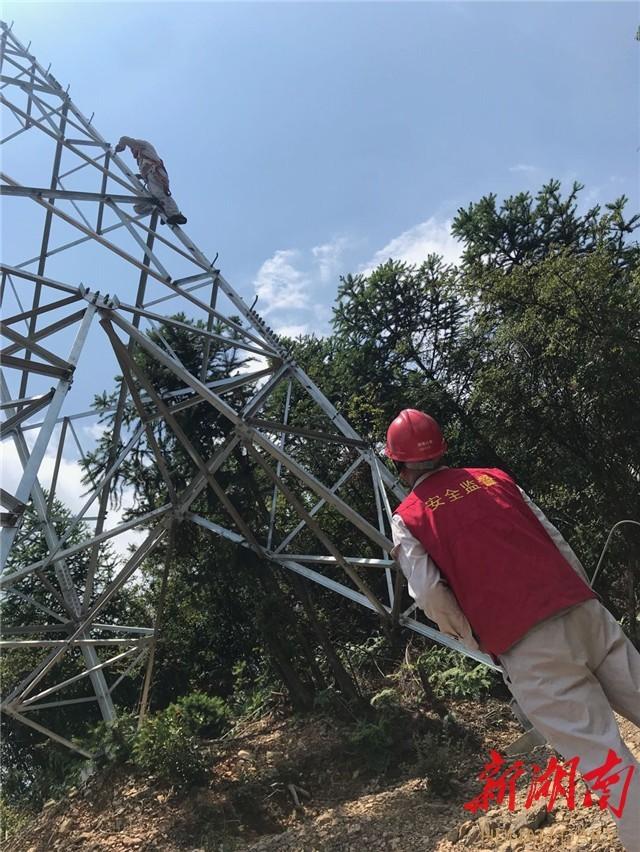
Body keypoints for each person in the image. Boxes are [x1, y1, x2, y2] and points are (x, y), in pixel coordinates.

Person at [386, 408, 640, 851]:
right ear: (443, 449)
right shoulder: (494, 479)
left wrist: (473, 637)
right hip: (583, 612)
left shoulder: (410, 517)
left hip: (530, 647)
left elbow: (427, 594)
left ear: (399, 465)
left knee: (609, 763)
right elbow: (555, 538)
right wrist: (581, 593)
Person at [114, 136, 187, 226]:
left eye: (133, 150)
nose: (133, 153)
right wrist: (141, 176)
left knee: (160, 194)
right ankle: (165, 212)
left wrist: (121, 146)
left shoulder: (143, 145)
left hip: (155, 173)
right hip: (150, 177)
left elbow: (124, 139)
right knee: (139, 207)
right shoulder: (141, 158)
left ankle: (175, 214)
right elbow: (146, 167)